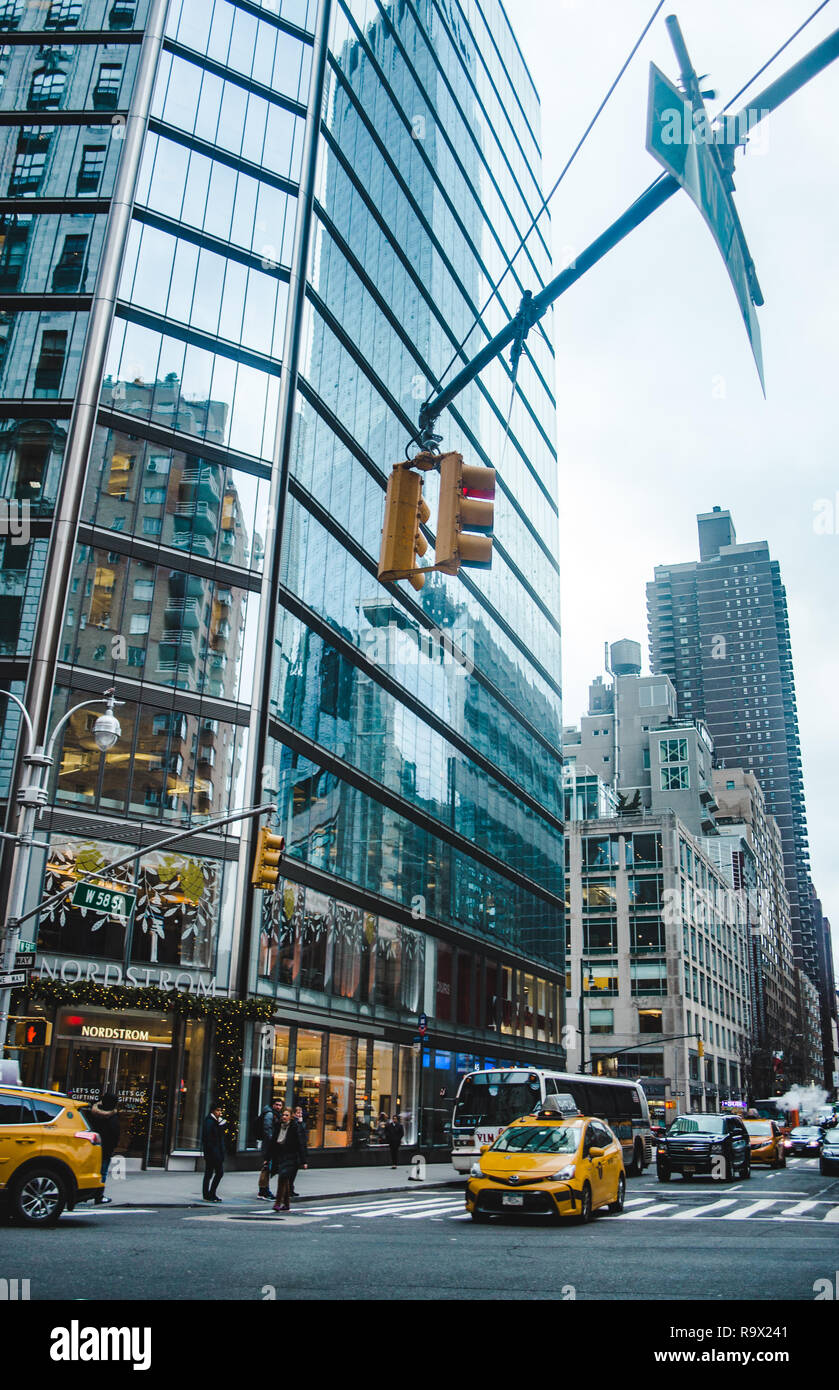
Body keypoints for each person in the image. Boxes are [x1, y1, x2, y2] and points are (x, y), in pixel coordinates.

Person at [270, 1106, 307, 1212]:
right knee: (285, 1179)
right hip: (280, 1156)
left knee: (282, 1176)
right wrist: (267, 1158)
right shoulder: (278, 1126)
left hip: (291, 1156)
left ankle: (277, 1202)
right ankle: (286, 1203)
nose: (284, 1117)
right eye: (283, 1115)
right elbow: (273, 1142)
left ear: (291, 1117)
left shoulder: (295, 1127)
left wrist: (304, 1161)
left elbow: (300, 1144)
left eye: (287, 1115)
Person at [88, 1091, 120, 1203]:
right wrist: (113, 1146)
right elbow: (114, 1135)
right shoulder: (112, 1117)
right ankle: (98, 1196)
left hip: (90, 1147)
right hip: (105, 1149)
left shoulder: (92, 1113)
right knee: (102, 1173)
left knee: (89, 1171)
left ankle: (86, 1193)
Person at [202, 1103, 227, 1202]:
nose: (219, 1113)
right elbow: (208, 1139)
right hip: (213, 1153)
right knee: (217, 1173)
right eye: (218, 1110)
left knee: (211, 1173)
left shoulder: (217, 1122)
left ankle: (209, 1194)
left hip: (216, 1152)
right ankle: (209, 1194)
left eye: (220, 1111)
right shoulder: (209, 1121)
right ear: (212, 1111)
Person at [258, 1100, 283, 1199]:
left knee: (267, 1168)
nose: (278, 1107)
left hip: (270, 1146)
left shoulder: (276, 1115)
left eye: (280, 1105)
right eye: (276, 1105)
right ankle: (264, 1190)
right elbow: (267, 1129)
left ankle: (264, 1190)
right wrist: (272, 1141)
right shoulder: (270, 1114)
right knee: (266, 1168)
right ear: (273, 1105)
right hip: (269, 1146)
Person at [290, 1105, 308, 1197]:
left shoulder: (301, 1123)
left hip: (298, 1151)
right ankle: (289, 1189)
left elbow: (303, 1138)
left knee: (293, 1172)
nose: (300, 1115)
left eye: (301, 1113)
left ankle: (290, 1189)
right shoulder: (295, 1123)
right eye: (298, 1113)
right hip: (293, 1151)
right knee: (291, 1172)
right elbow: (299, 1136)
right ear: (293, 1114)